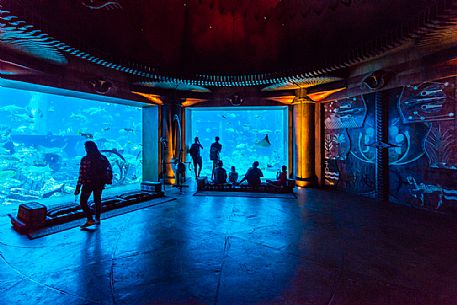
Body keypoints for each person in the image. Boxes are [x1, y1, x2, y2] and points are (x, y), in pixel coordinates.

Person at [75, 141, 112, 228]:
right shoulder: (102, 158)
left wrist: (78, 187)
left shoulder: (85, 159)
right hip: (100, 183)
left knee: (83, 202)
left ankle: (90, 219)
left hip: (88, 183)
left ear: (87, 149)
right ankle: (97, 219)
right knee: (97, 201)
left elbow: (81, 174)